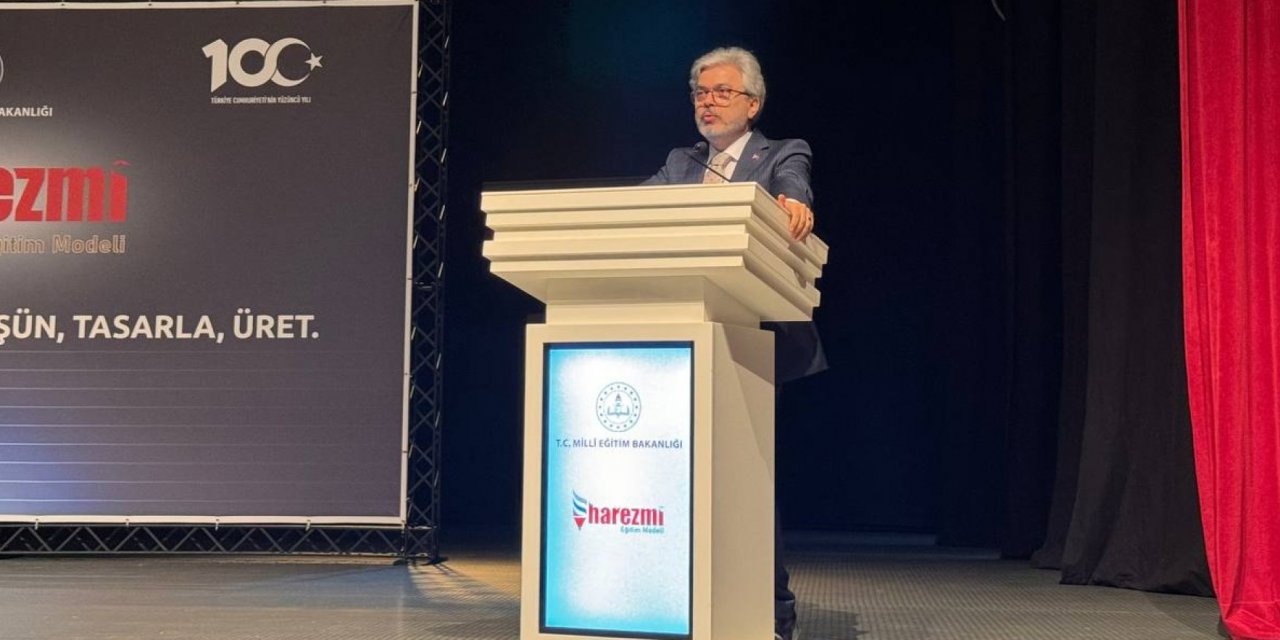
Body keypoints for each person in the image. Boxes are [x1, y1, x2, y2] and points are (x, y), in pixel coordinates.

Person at [643, 46, 827, 640]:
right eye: (701, 92)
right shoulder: (680, 162)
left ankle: (772, 613)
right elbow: (634, 209)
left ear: (753, 103)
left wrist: (794, 203)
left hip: (755, 341)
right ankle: (686, 602)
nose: (708, 102)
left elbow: (793, 187)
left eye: (723, 92)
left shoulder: (782, 153)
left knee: (746, 479)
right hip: (683, 342)